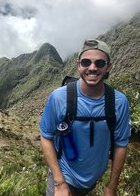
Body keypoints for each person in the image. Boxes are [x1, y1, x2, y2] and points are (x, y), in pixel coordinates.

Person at [40, 39, 131, 196]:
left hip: (91, 181)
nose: (92, 68)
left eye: (100, 63)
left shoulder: (119, 102)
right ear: (78, 65)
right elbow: (46, 136)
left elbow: (121, 144)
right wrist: (59, 183)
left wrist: (112, 187)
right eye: (86, 62)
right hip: (64, 176)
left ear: (109, 66)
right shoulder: (58, 97)